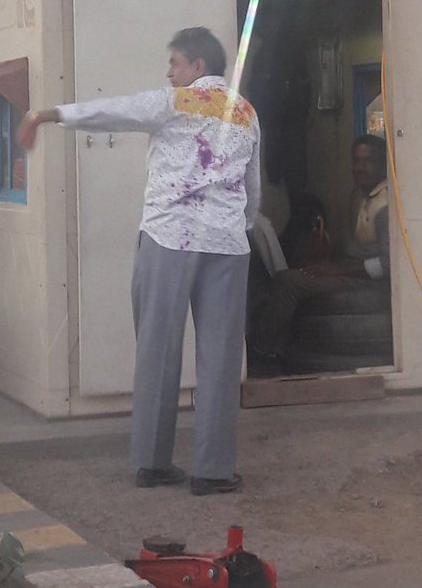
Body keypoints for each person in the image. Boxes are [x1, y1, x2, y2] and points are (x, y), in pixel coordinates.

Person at [17, 27, 260, 496]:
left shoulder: (175, 102)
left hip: (169, 239)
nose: (169, 73)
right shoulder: (246, 112)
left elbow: (114, 110)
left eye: (175, 63)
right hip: (227, 246)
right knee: (221, 358)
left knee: (157, 349)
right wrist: (240, 225)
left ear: (198, 67)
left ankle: (152, 462)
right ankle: (212, 472)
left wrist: (48, 114)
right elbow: (252, 183)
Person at [252, 135, 389, 360]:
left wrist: (338, 269)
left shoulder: (385, 205)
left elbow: (389, 263)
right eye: (356, 161)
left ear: (383, 164)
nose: (360, 168)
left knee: (287, 281)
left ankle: (263, 350)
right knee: (303, 267)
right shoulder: (367, 198)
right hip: (353, 270)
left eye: (368, 161)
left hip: (369, 281)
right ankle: (286, 345)